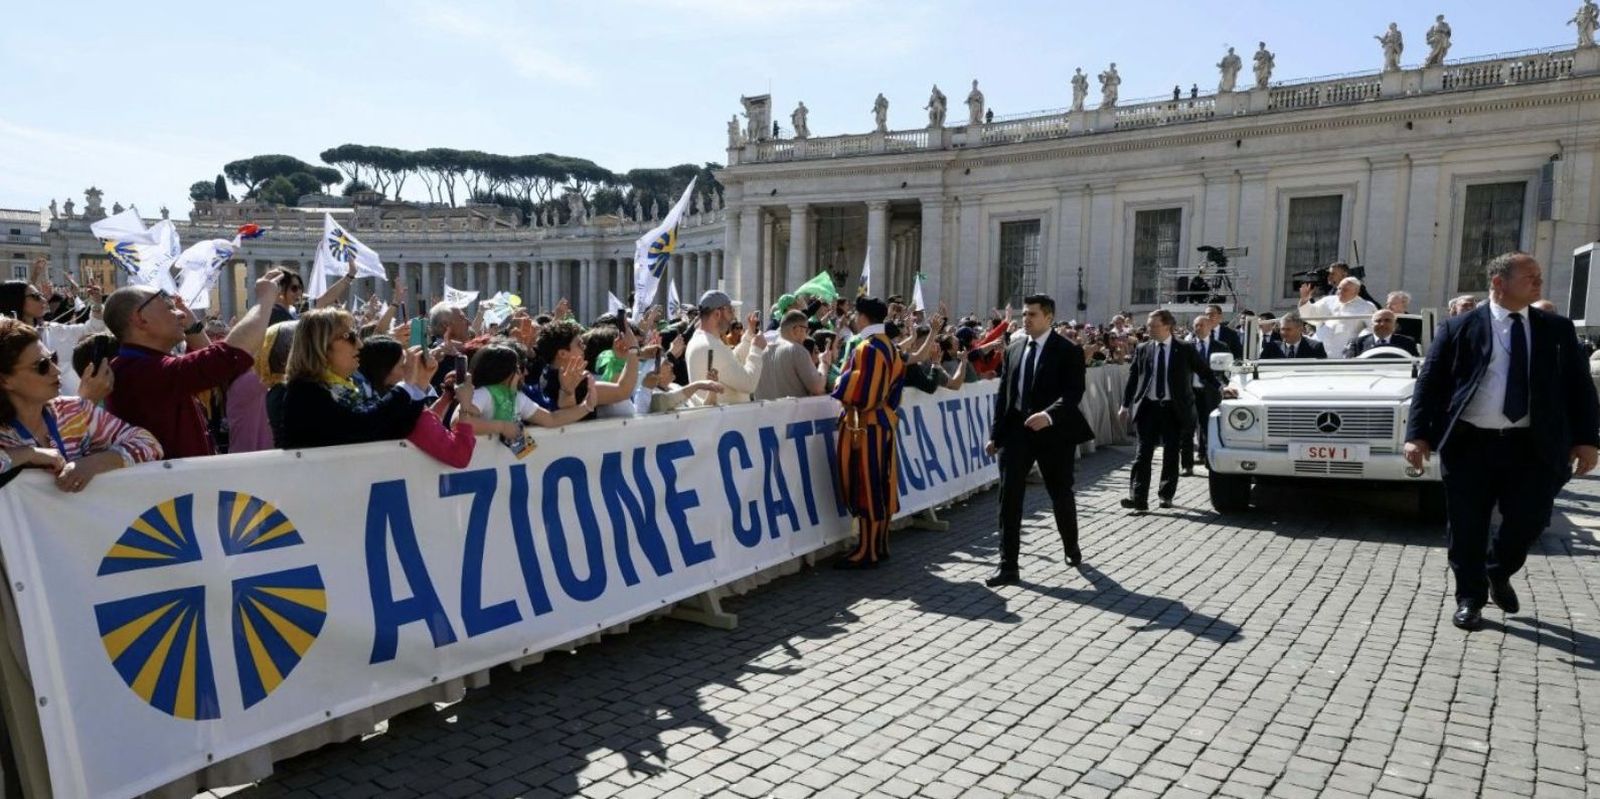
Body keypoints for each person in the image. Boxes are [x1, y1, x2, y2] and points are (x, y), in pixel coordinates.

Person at [1405, 252, 1599, 630]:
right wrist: (1418, 435)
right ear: (1498, 282)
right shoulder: (1458, 328)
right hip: (1470, 444)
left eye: (1539, 277)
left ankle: (1499, 570)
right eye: (1530, 277)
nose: (1539, 283)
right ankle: (1470, 598)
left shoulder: (1555, 329)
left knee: (1530, 519)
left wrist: (1586, 439)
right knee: (1467, 526)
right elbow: (1430, 384)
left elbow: (1579, 387)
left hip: (1533, 445)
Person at [103, 269, 280, 459]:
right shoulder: (137, 372)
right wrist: (265, 300)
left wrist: (191, 325)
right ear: (140, 319)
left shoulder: (141, 363)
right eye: (169, 307)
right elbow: (226, 358)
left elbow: (212, 365)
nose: (179, 313)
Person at [983, 294, 1094, 586]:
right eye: (1024, 314)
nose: (1025, 319)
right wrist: (996, 435)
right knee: (1009, 498)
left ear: (1049, 317)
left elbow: (1073, 393)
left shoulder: (1068, 350)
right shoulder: (1014, 348)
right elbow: (1004, 395)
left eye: (1032, 314)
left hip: (1054, 433)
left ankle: (1071, 545)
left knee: (1060, 493)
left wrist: (1048, 414)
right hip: (1017, 432)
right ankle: (1008, 566)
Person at [0, 318, 163, 490]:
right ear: (4, 381)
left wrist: (92, 464)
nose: (56, 370)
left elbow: (150, 444)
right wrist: (29, 454)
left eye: (53, 358)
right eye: (42, 366)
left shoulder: (74, 410)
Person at [280, 308, 430, 449]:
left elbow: (395, 429)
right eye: (349, 336)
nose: (359, 344)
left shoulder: (355, 385)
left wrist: (419, 383)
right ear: (321, 344)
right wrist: (406, 385)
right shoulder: (305, 391)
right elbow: (361, 427)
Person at [1119, 309, 1221, 514]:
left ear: (1167, 326)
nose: (1149, 329)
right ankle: (1139, 500)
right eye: (1148, 325)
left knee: (1171, 454)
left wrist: (1221, 387)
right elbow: (1133, 378)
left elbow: (1204, 371)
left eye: (1153, 326)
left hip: (1174, 410)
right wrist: (1125, 405)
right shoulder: (1143, 348)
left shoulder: (1184, 349)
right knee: (1142, 454)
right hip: (1148, 408)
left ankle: (1166, 495)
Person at [831, 297, 905, 569]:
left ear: (863, 318)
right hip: (883, 421)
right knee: (881, 482)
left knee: (867, 483)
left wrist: (840, 380)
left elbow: (862, 393)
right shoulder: (891, 347)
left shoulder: (868, 348)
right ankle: (879, 544)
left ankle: (867, 549)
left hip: (867, 424)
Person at [686, 290, 766, 404]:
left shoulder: (699, 340)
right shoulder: (712, 346)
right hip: (726, 420)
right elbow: (749, 384)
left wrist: (749, 338)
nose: (733, 316)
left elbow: (729, 362)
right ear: (717, 314)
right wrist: (756, 350)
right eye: (730, 311)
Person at [1180, 314, 1226, 475]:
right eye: (1195, 325)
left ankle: (1208, 460)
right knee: (1187, 429)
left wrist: (1225, 387)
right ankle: (1187, 464)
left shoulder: (1220, 347)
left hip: (1210, 394)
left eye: (1201, 325)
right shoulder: (1186, 346)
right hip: (1189, 393)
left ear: (1210, 327)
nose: (1197, 328)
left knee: (1209, 428)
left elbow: (1224, 372)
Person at [754, 310, 828, 400]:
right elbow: (818, 388)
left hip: (765, 413)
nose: (806, 336)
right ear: (796, 329)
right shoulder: (796, 350)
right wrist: (824, 363)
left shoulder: (762, 352)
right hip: (793, 413)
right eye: (806, 330)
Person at [1299, 276, 1378, 357]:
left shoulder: (1366, 307)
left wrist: (1358, 341)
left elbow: (1373, 328)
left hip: (1344, 354)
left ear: (1356, 292)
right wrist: (1304, 301)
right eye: (1339, 288)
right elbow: (1310, 316)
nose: (1340, 292)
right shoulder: (1328, 301)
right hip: (1319, 351)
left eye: (1345, 290)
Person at [1345, 309, 1420, 357]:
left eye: (1387, 320)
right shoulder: (1357, 343)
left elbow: (1416, 365)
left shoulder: (1407, 342)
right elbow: (1348, 365)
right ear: (1371, 325)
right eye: (1378, 321)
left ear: (1395, 325)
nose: (1382, 324)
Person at [1259, 313, 1327, 359]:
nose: (1284, 333)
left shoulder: (1315, 347)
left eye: (1288, 329)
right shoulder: (1271, 348)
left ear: (1300, 329)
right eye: (1282, 329)